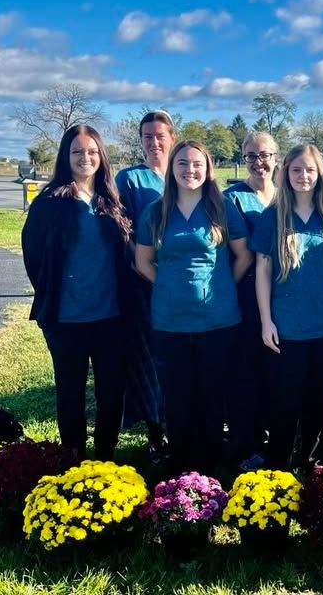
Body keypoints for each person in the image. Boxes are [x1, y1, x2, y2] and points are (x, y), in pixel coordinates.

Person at [134, 140, 252, 473]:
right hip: (170, 321)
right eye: (182, 163)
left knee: (212, 394)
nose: (190, 170)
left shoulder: (223, 207)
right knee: (177, 396)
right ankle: (180, 467)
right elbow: (142, 262)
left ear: (208, 168)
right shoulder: (156, 211)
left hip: (218, 319)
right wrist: (169, 285)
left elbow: (244, 256)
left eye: (197, 163)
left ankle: (212, 466)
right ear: (172, 168)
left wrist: (222, 284)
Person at [21, 124, 133, 461]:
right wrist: (54, 290)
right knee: (70, 391)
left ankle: (105, 455)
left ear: (101, 156)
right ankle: (72, 455)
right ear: (65, 157)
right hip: (65, 318)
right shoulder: (50, 202)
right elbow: (33, 255)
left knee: (111, 391)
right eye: (77, 152)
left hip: (111, 316)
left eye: (92, 151)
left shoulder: (111, 200)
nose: (85, 158)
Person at [251, 144, 323, 471]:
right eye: (296, 170)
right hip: (286, 326)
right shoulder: (273, 217)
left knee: (319, 400)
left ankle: (310, 459)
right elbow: (263, 272)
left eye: (309, 170)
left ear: (319, 174)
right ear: (286, 174)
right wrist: (266, 321)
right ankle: (279, 464)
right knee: (285, 399)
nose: (303, 176)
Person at [114, 110, 177, 464]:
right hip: (144, 284)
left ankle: (184, 422)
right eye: (147, 137)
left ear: (172, 137)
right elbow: (120, 228)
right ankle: (156, 432)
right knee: (150, 361)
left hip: (183, 286)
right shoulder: (131, 180)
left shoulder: (187, 173)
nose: (154, 143)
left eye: (160, 136)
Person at [223, 132, 279, 471]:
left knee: (275, 370)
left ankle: (274, 436)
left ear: (277, 157)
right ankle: (246, 440)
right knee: (244, 371)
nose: (259, 163)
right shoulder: (231, 199)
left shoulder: (288, 196)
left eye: (265, 155)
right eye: (251, 156)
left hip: (285, 298)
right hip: (244, 298)